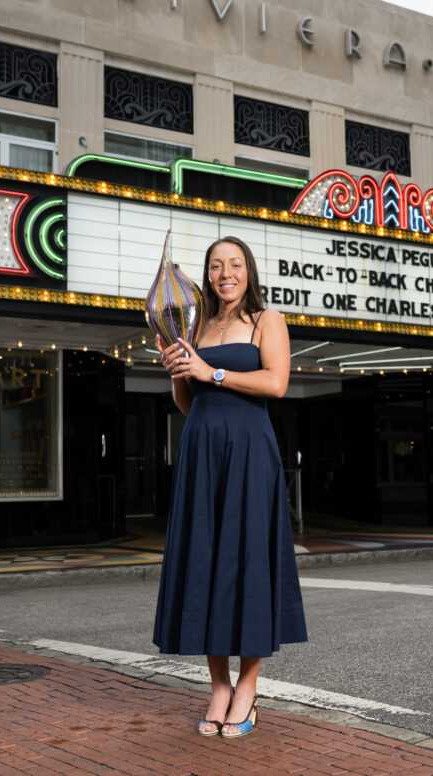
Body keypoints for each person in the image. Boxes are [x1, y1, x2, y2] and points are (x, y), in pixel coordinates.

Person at [153, 235, 308, 738]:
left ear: (249, 270)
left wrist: (210, 371)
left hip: (249, 453)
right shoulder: (195, 326)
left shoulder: (268, 322)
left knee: (248, 563)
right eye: (217, 266)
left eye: (235, 264)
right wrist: (178, 371)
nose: (226, 274)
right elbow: (188, 402)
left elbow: (276, 383)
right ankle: (218, 685)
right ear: (208, 273)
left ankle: (248, 685)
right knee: (205, 562)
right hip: (201, 453)